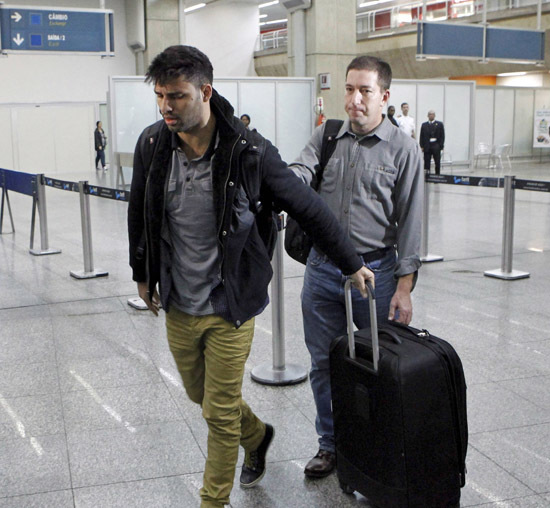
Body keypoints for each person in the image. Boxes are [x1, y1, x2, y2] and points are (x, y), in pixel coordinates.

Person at [127, 45, 374, 508]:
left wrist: (351, 261)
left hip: (230, 302)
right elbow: (140, 209)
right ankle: (257, 435)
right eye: (160, 95)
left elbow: (309, 207)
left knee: (218, 414)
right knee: (200, 395)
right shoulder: (153, 144)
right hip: (178, 300)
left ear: (205, 91)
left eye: (176, 96)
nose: (166, 107)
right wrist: (142, 273)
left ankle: (213, 501)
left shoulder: (250, 152)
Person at [289, 55, 423, 479]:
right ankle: (330, 446)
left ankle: (373, 450)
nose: (355, 99)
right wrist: (279, 183)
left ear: (384, 96)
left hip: (375, 275)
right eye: (349, 89)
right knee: (322, 363)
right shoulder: (327, 136)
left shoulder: (403, 149)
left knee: (374, 366)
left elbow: (412, 222)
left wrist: (404, 288)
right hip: (322, 270)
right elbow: (299, 171)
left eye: (365, 91)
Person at [420, 110, 445, 174]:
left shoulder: (439, 124)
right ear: (428, 116)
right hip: (427, 145)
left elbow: (442, 135)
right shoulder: (424, 125)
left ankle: (437, 176)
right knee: (427, 161)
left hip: (436, 145)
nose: (431, 115)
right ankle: (427, 175)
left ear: (434, 115)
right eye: (430, 114)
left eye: (433, 114)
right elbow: (421, 136)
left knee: (437, 161)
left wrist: (441, 145)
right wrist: (422, 146)